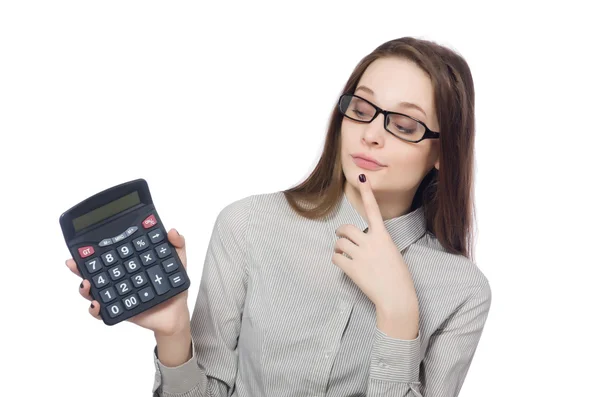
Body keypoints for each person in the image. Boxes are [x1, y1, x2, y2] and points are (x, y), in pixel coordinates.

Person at [65, 36, 492, 397]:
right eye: (361, 110)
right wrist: (174, 331)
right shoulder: (248, 226)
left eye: (404, 124)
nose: (372, 134)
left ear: (443, 151)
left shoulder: (463, 293)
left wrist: (399, 313)